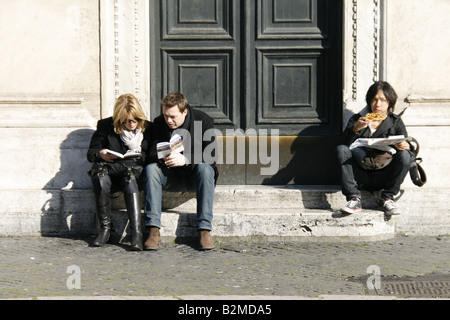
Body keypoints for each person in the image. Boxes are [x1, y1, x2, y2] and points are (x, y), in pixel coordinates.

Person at [143, 92, 219, 250]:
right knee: (151, 169)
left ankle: (205, 230)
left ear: (185, 112)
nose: (168, 120)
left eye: (173, 116)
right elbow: (149, 153)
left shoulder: (203, 121)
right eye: (166, 115)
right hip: (169, 175)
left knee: (206, 168)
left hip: (194, 177)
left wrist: (186, 159)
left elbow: (211, 155)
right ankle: (153, 229)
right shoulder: (158, 123)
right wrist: (164, 156)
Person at [87, 94, 152, 251]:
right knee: (100, 176)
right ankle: (104, 230)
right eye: (125, 121)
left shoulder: (149, 128)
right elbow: (91, 153)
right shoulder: (106, 125)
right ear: (118, 119)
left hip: (134, 173)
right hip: (112, 171)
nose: (130, 124)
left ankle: (136, 234)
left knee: (129, 177)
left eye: (134, 120)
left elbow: (154, 154)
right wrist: (101, 154)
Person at [336, 81, 412, 216]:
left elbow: (407, 148)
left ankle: (387, 198)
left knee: (406, 155)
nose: (378, 104)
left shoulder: (395, 122)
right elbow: (343, 145)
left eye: (383, 100)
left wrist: (405, 145)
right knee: (341, 149)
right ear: (369, 101)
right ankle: (353, 198)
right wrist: (356, 129)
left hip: (384, 175)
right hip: (359, 175)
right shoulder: (357, 119)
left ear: (390, 102)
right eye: (374, 99)